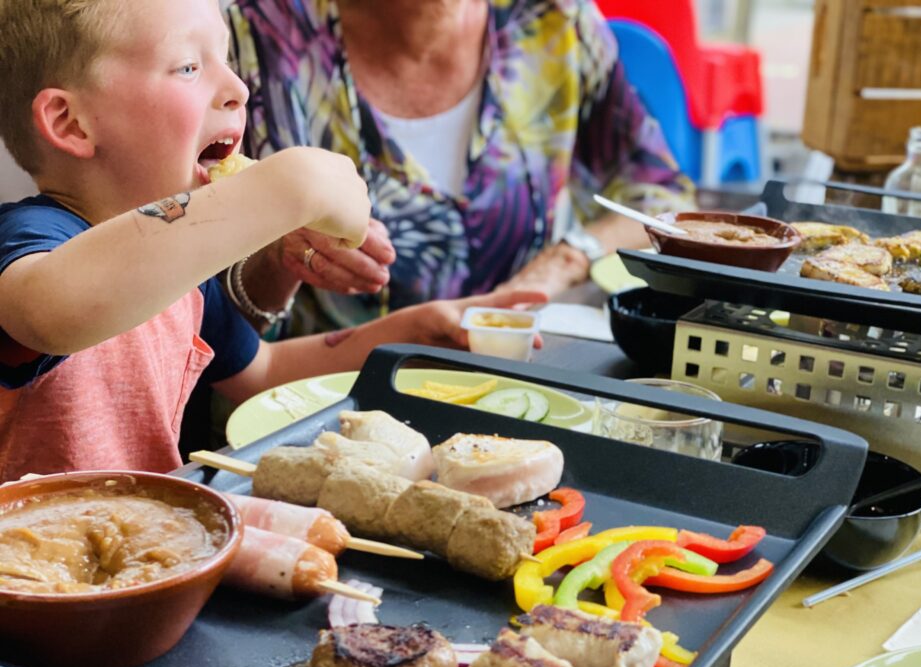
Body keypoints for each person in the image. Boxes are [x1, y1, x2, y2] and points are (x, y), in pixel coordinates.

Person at [0, 0, 544, 483]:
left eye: (228, 60)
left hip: (151, 558)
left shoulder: (183, 273)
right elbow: (53, 312)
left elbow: (264, 372)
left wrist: (408, 336)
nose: (238, 89)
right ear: (71, 122)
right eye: (189, 66)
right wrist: (291, 186)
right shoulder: (32, 241)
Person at [223, 0, 694, 332]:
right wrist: (280, 251)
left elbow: (657, 200)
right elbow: (195, 290)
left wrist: (567, 257)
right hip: (305, 401)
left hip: (503, 379)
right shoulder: (257, 36)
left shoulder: (552, 22)